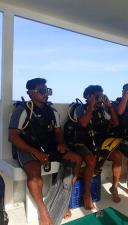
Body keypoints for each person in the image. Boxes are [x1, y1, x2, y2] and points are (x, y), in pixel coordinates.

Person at [8, 78, 82, 225]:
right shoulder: (22, 110)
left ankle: (63, 200)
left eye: (47, 91)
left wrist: (61, 143)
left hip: (48, 146)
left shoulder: (51, 110)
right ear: (30, 93)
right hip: (27, 147)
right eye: (42, 91)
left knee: (77, 159)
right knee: (34, 174)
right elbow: (13, 137)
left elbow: (58, 131)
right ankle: (43, 211)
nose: (46, 94)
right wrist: (35, 152)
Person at [70, 85, 123, 205]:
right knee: (91, 161)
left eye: (101, 96)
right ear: (89, 97)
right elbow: (83, 123)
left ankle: (114, 187)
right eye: (98, 96)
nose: (100, 99)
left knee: (118, 156)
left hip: (98, 143)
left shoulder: (102, 110)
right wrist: (91, 106)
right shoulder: (80, 109)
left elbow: (115, 123)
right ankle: (86, 193)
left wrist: (109, 107)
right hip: (81, 143)